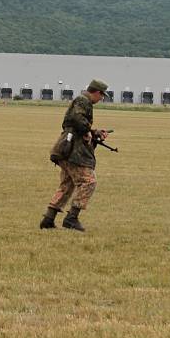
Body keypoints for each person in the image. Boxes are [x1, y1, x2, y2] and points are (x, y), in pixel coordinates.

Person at [39, 79, 109, 232]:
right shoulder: (83, 100)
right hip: (73, 151)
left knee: (67, 184)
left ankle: (48, 219)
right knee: (89, 181)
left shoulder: (82, 101)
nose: (101, 99)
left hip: (66, 149)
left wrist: (93, 132)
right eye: (102, 95)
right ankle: (72, 218)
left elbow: (75, 122)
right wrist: (87, 131)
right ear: (97, 92)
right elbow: (76, 120)